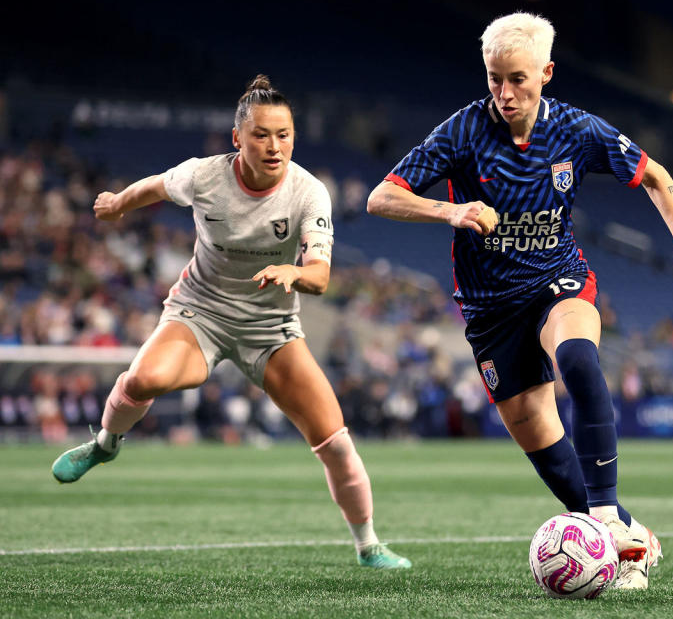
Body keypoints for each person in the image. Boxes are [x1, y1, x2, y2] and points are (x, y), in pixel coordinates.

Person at [367, 12, 673, 589]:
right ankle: (628, 539)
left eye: (518, 79)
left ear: (547, 73)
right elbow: (382, 197)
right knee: (538, 435)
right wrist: (449, 210)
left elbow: (657, 177)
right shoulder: (462, 132)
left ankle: (602, 519)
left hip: (559, 280)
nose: (504, 92)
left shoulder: (577, 130)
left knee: (577, 357)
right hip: (489, 307)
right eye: (494, 78)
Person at [51, 75, 411, 570]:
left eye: (284, 134)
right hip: (201, 311)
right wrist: (117, 203)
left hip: (271, 328)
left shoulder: (308, 192)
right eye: (261, 134)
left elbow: (322, 277)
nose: (274, 145)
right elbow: (155, 186)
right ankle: (104, 445)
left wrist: (295, 272)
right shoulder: (204, 175)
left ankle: (370, 546)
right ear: (237, 138)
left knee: (334, 441)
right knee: (143, 378)